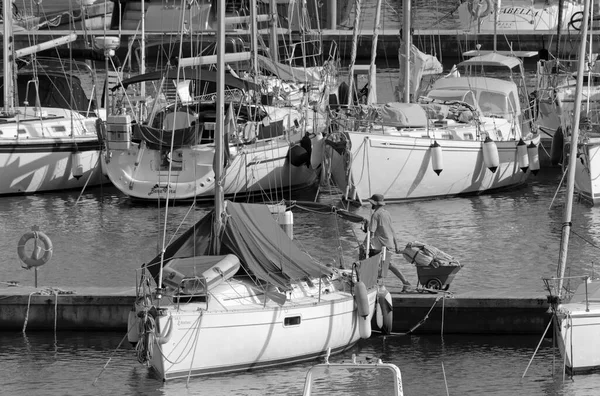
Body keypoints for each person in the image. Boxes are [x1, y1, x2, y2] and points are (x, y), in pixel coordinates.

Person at [362, 193, 412, 292]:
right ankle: (404, 282)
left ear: (374, 203)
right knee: (387, 264)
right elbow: (391, 229)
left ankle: (373, 286)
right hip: (389, 242)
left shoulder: (375, 215)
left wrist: (364, 245)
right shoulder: (386, 213)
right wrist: (396, 244)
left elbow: (371, 233)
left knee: (374, 263)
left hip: (380, 244)